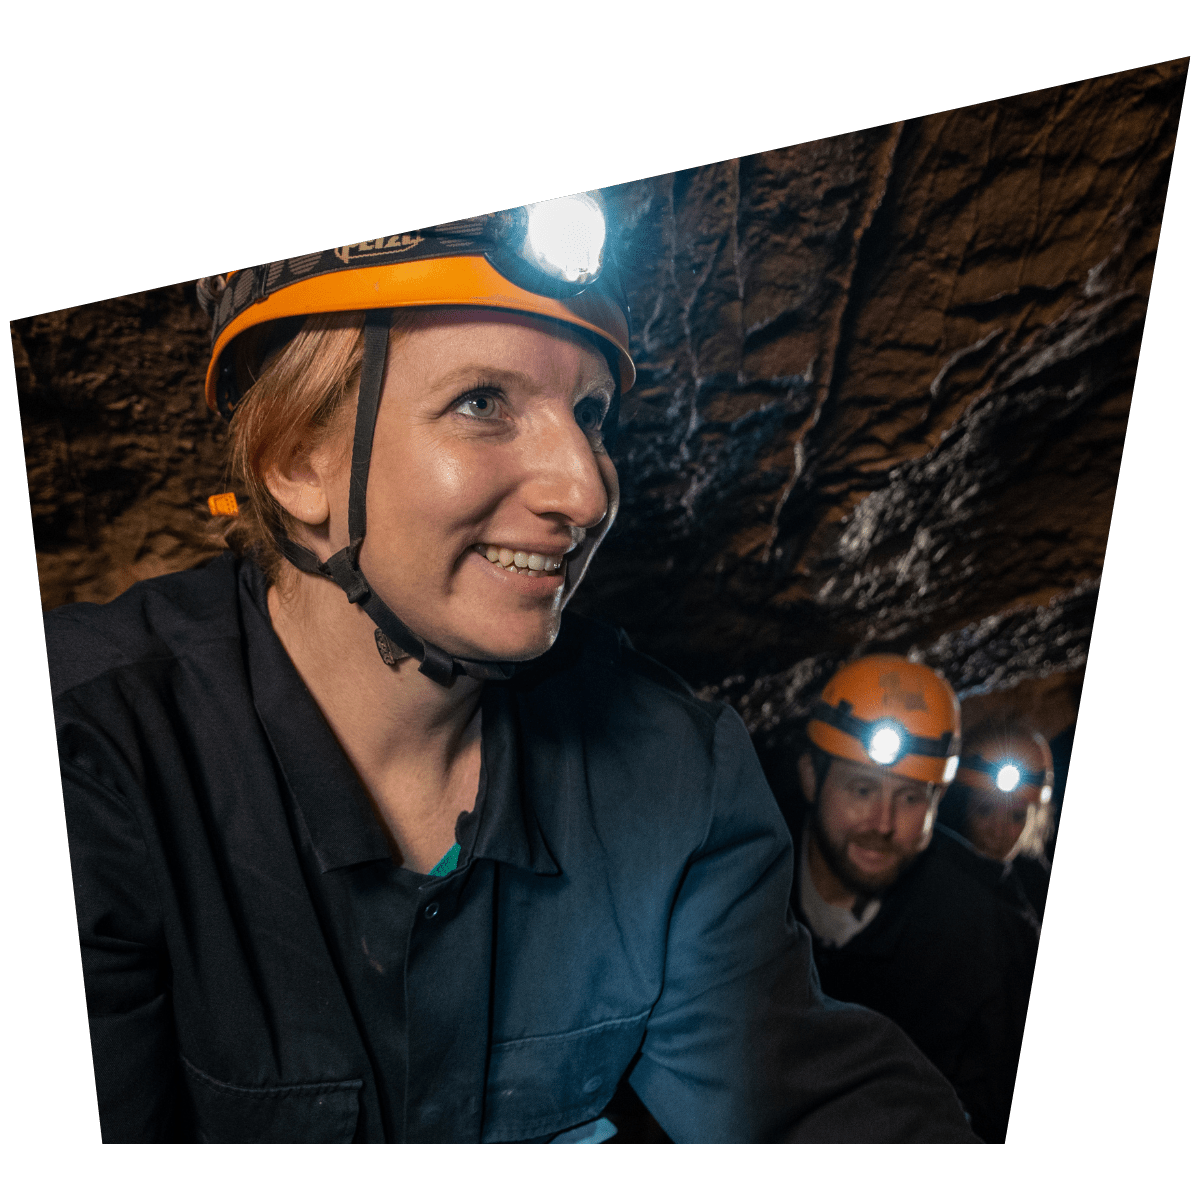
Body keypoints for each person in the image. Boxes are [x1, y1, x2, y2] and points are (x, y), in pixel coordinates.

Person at [47, 196, 977, 1143]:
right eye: (482, 404)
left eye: (591, 415)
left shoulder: (671, 776)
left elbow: (802, 1105)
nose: (584, 490)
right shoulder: (86, 758)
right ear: (297, 459)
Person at [778, 654, 1040, 1143]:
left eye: (911, 798)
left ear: (937, 805)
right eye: (861, 789)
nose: (882, 823)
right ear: (811, 778)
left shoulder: (987, 931)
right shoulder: (740, 881)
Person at [939, 725, 1057, 921]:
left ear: (1035, 821)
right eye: (985, 810)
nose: (998, 831)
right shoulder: (930, 878)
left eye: (1017, 817)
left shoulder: (1038, 893)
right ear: (962, 806)